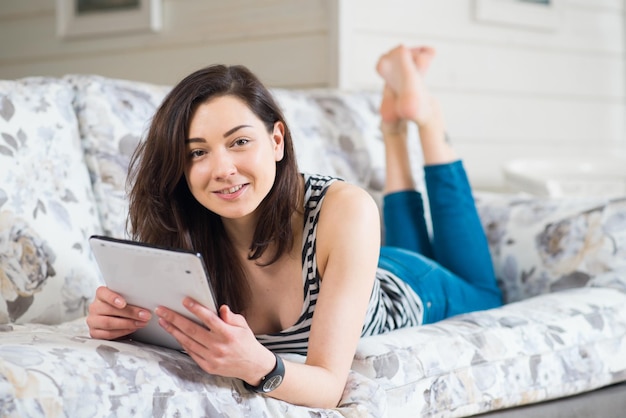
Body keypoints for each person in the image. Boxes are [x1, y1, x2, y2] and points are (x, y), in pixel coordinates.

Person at [86, 44, 502, 408]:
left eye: (239, 141)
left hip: (411, 286)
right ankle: (393, 126)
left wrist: (259, 365)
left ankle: (423, 121)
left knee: (486, 292)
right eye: (197, 152)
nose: (222, 169)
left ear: (277, 140)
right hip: (353, 264)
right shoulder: (183, 229)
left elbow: (328, 385)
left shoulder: (344, 208)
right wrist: (121, 321)